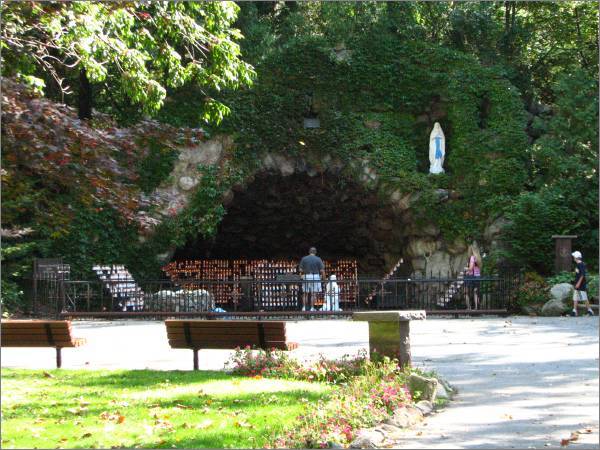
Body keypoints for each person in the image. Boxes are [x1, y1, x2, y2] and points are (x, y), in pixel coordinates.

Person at [298, 247, 325, 311]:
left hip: (306, 276)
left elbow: (300, 269)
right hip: (315, 276)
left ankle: (304, 307)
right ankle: (312, 308)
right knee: (313, 294)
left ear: (309, 252)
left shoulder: (304, 258)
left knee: (305, 293)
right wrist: (324, 279)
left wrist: (305, 270)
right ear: (315, 252)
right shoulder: (318, 259)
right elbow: (322, 270)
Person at [570, 251, 594, 317]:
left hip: (581, 284)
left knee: (584, 297)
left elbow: (583, 275)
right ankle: (574, 311)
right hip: (577, 284)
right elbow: (579, 274)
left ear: (576, 257)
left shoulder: (581, 264)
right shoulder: (578, 264)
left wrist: (578, 283)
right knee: (575, 297)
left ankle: (590, 310)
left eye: (574, 257)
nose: (573, 258)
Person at [464, 246, 481, 310]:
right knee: (475, 292)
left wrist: (466, 269)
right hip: (478, 276)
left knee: (466, 292)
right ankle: (477, 308)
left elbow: (470, 268)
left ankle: (469, 307)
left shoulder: (472, 257)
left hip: (471, 277)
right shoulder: (479, 258)